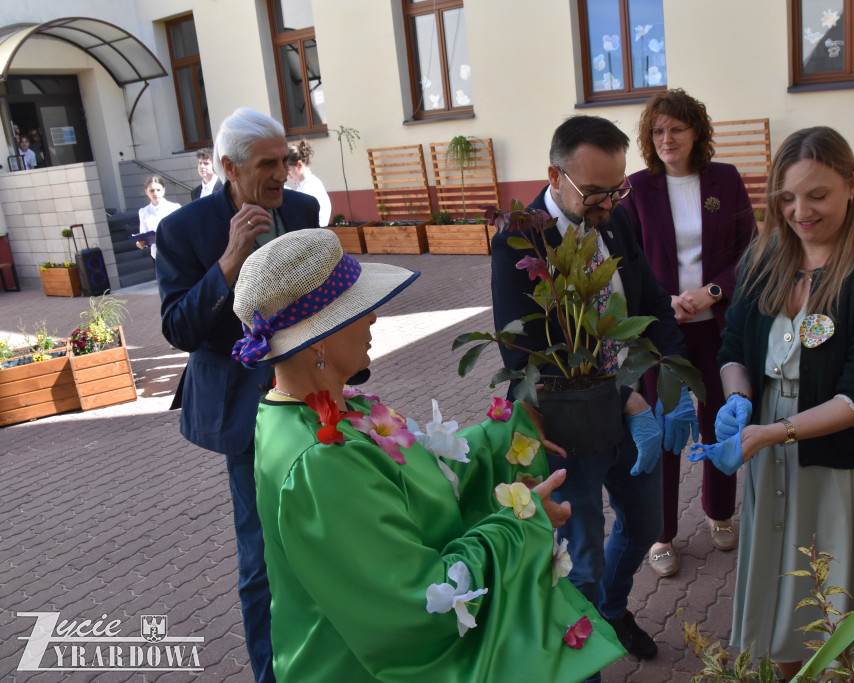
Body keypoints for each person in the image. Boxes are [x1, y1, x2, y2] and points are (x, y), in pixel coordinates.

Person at [230, 229, 625, 682]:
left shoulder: (319, 410)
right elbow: (415, 602)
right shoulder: (321, 459)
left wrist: (502, 437)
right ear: (319, 337)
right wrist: (522, 524)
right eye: (358, 307)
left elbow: (416, 472)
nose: (374, 317)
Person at [688, 126, 854, 676]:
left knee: (824, 592)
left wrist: (774, 433)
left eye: (817, 194)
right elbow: (734, 345)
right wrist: (739, 400)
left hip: (835, 458)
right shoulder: (765, 259)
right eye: (786, 198)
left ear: (853, 185)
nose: (800, 211)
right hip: (767, 439)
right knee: (776, 577)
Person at [490, 114, 698, 669]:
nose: (609, 203)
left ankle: (611, 610)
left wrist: (674, 381)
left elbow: (651, 302)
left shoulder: (614, 220)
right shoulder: (518, 241)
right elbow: (525, 357)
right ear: (554, 177)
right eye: (595, 192)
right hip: (569, 430)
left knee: (647, 527)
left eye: (618, 188)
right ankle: (580, 659)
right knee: (581, 560)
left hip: (633, 414)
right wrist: (628, 399)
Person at [156, 107, 320, 683]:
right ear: (229, 167)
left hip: (311, 395)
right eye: (267, 164)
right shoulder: (183, 231)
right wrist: (227, 263)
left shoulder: (302, 210)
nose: (282, 174)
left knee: (325, 531)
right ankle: (270, 673)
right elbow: (179, 328)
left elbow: (325, 294)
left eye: (286, 161)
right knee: (262, 558)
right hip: (247, 415)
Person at [619, 89, 757, 577]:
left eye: (676, 128)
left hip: (716, 329)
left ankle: (719, 512)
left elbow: (749, 251)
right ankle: (661, 532)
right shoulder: (635, 188)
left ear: (696, 132)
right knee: (664, 427)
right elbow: (628, 263)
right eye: (657, 131)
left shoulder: (725, 179)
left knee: (719, 422)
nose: (666, 138)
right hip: (662, 337)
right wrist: (665, 300)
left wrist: (713, 291)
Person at [286, 140, 331, 227]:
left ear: (299, 165)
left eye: (289, 170)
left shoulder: (312, 186)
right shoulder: (303, 185)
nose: (288, 174)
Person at [136, 176, 182, 259]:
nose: (155, 193)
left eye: (158, 190)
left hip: (175, 253)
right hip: (157, 256)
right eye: (152, 190)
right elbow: (143, 236)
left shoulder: (174, 207)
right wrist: (141, 243)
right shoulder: (143, 212)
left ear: (163, 190)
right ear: (146, 192)